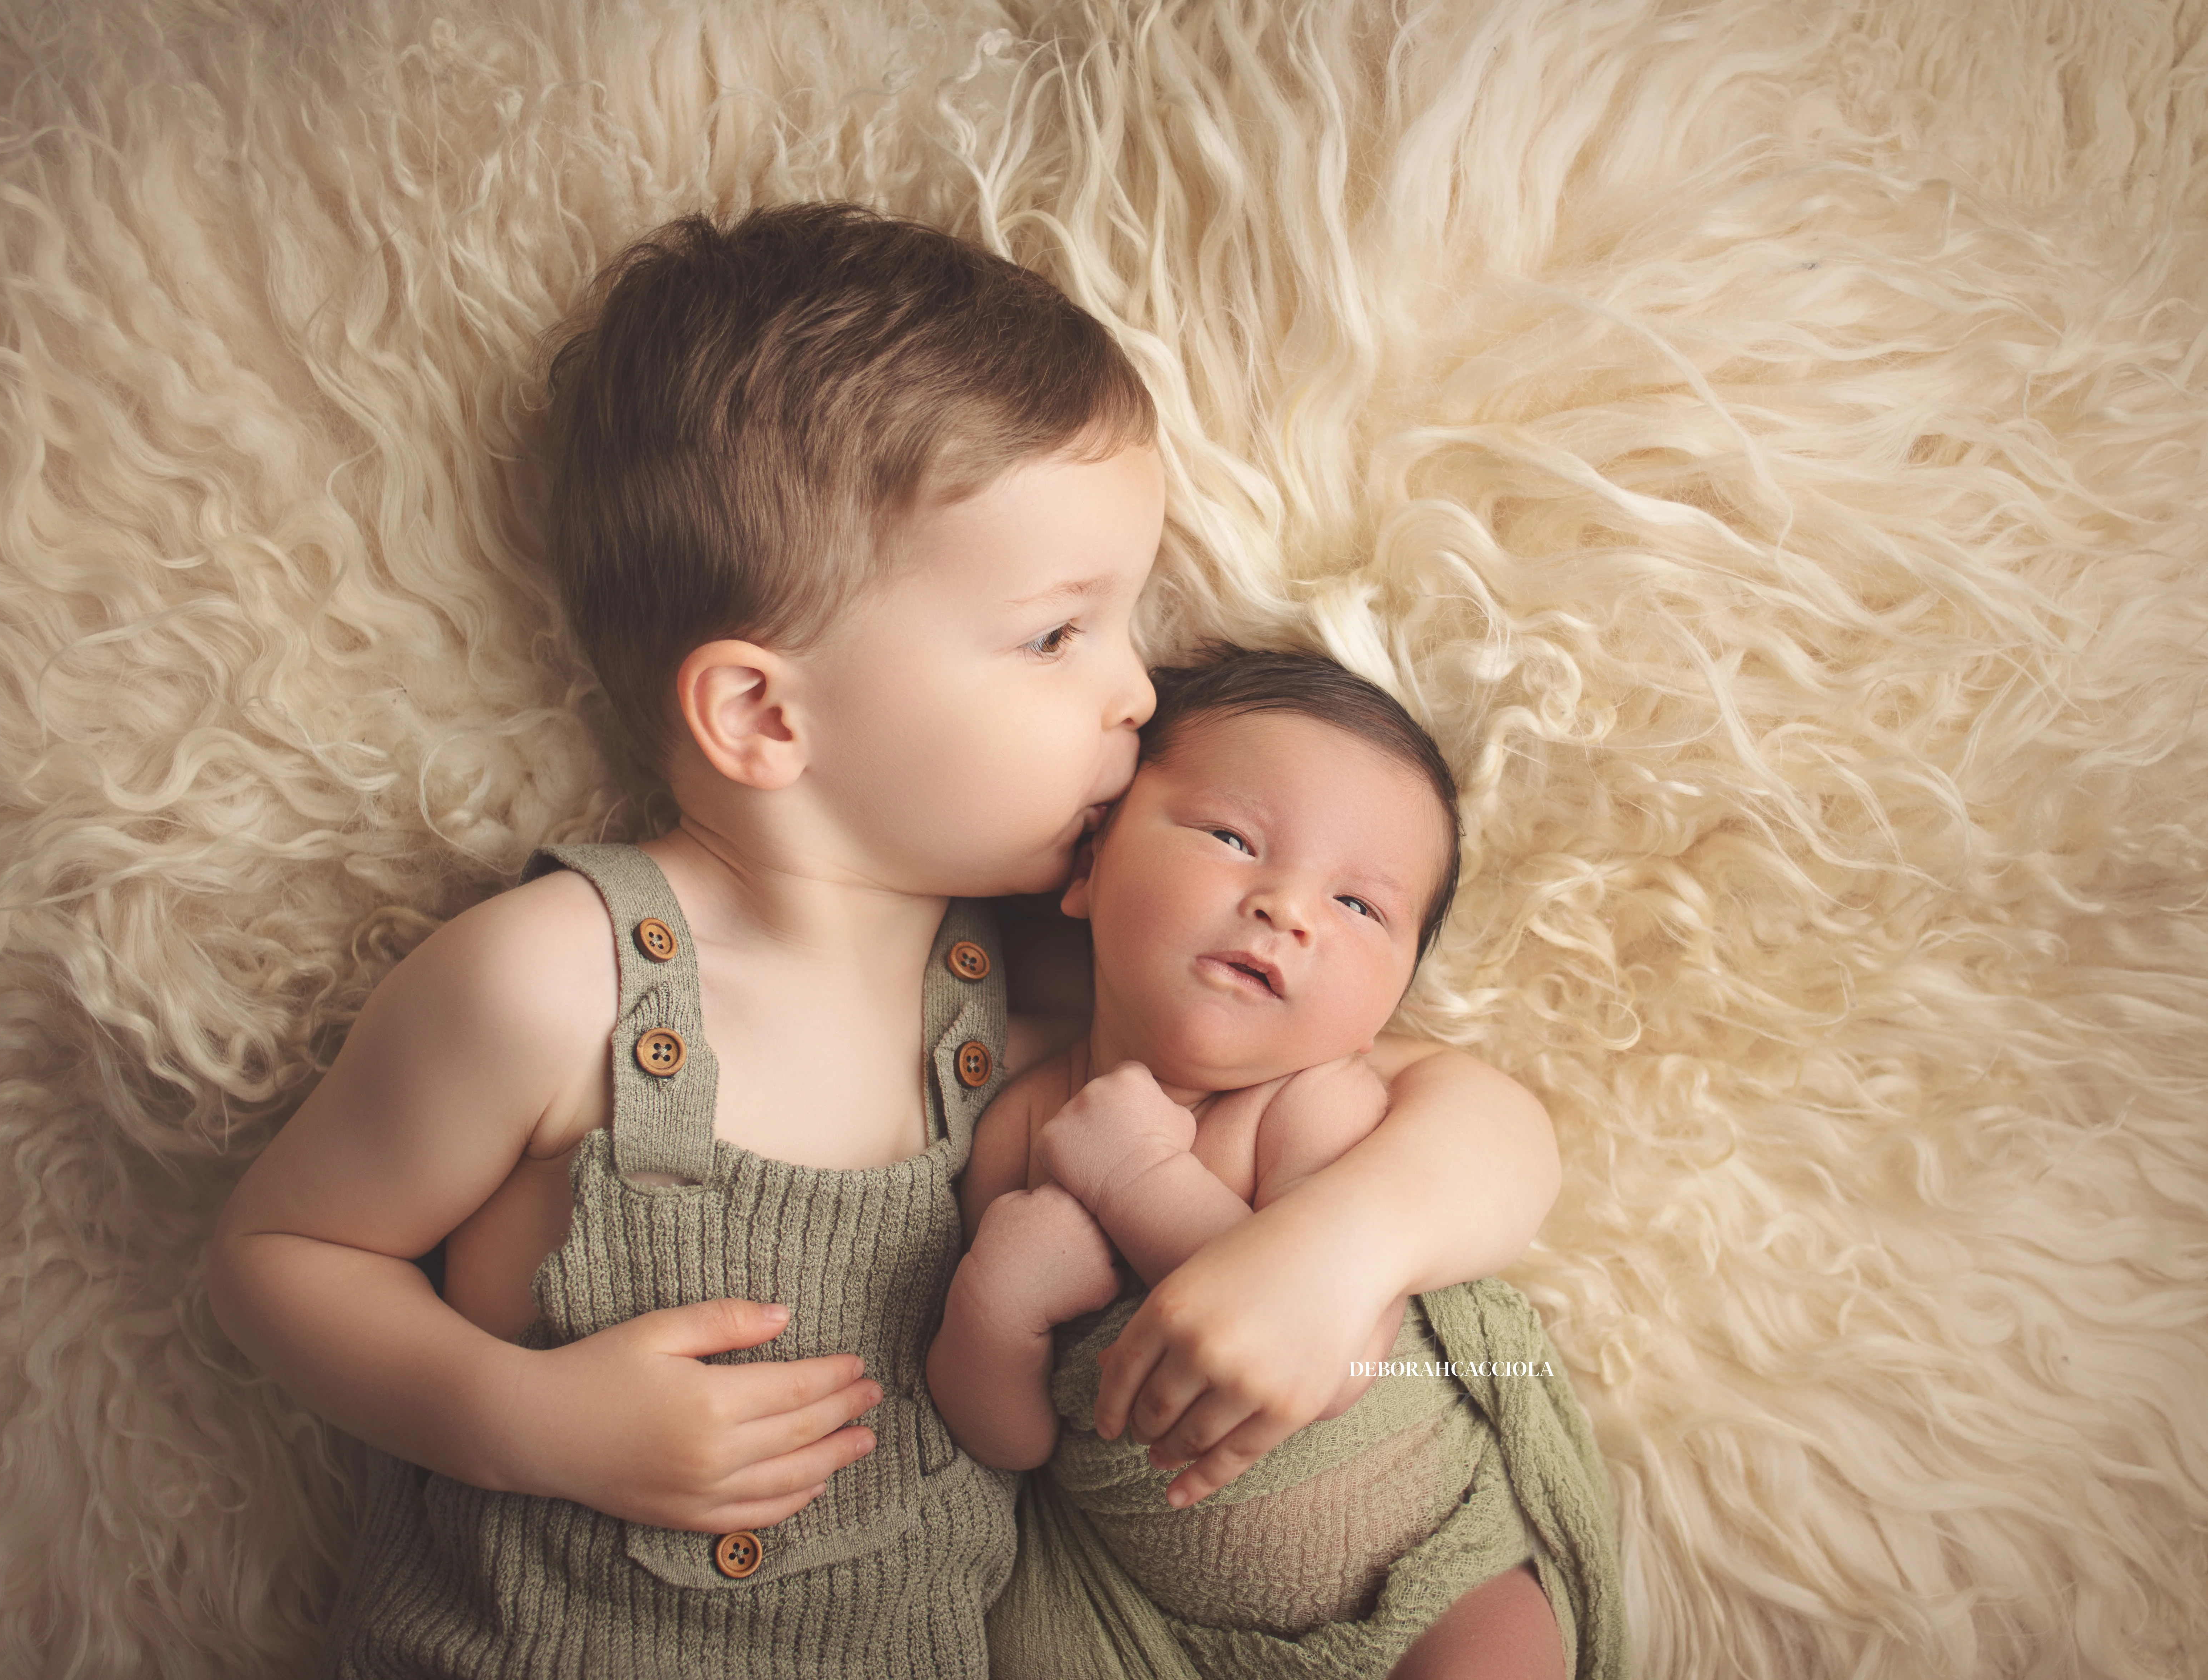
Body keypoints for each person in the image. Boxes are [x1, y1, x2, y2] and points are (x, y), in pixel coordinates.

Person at [205, 204, 1564, 1679]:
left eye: (1126, 625)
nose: (1134, 697)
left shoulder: (1019, 979)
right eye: (1059, 636)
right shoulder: (552, 980)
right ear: (765, 716)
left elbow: (1461, 1115)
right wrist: (528, 1423)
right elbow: (282, 1254)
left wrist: (1332, 1252)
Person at [932, 651, 1626, 1679]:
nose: (1288, 907)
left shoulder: (1328, 1099)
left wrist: (1140, 1187)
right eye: (1231, 837)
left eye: (1358, 906)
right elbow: (1011, 1444)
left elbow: (1317, 1351)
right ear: (1090, 864)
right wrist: (991, 1313)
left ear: (1394, 991)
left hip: (1431, 1575)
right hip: (1152, 1621)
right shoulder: (1012, 1124)